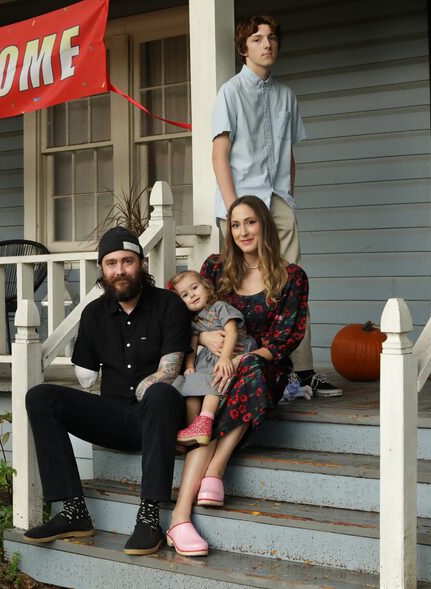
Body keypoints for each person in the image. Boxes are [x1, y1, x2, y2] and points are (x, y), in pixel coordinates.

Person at [22, 227, 189, 556]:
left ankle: (149, 516)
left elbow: (170, 371)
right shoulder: (94, 314)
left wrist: (147, 386)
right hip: (113, 418)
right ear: (102, 269)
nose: (120, 270)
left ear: (141, 263)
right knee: (40, 396)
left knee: (159, 393)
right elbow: (84, 374)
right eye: (111, 263)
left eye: (127, 261)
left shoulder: (168, 305)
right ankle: (73, 511)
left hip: (156, 417)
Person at [165, 195, 308, 557]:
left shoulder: (290, 277)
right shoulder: (215, 268)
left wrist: (241, 358)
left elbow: (283, 340)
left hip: (262, 367)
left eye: (250, 222)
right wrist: (200, 338)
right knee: (206, 414)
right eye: (235, 224)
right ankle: (181, 518)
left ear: (264, 225)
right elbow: (181, 313)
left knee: (248, 375)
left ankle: (216, 468)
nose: (243, 231)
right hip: (213, 368)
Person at [211, 14, 341, 397]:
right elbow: (219, 155)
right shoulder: (230, 92)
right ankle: (242, 364)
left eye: (271, 38)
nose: (266, 44)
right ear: (243, 47)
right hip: (242, 203)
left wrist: (288, 197)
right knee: (239, 287)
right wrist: (236, 212)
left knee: (292, 283)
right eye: (256, 39)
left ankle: (301, 371)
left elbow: (288, 155)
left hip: (278, 201)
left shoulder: (287, 96)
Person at [168, 270, 256, 447]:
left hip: (233, 351)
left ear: (206, 287)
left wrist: (224, 358)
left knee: (213, 378)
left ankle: (205, 420)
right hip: (209, 357)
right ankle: (191, 429)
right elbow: (191, 346)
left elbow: (232, 330)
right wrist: (190, 366)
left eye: (194, 288)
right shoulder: (192, 322)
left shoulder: (219, 307)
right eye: (185, 295)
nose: (192, 295)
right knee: (191, 384)